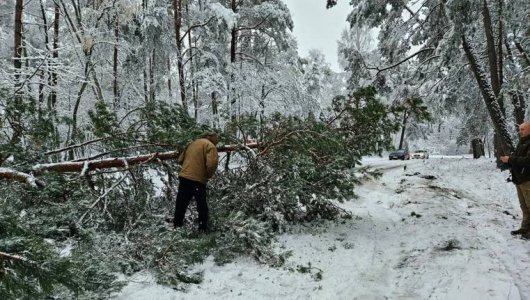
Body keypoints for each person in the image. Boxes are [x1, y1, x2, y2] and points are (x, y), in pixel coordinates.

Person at [173, 133, 219, 231]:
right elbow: (212, 164)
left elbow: (180, 159)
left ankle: (177, 225)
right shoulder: (211, 146)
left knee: (181, 202)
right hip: (198, 179)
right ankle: (203, 228)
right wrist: (208, 175)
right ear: (214, 140)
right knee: (201, 204)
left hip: (184, 176)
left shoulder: (192, 143)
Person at [500, 122, 530, 239]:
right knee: (524, 206)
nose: (520, 131)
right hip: (520, 179)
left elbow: (528, 161)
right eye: (519, 129)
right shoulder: (522, 142)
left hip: (527, 179)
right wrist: (508, 162)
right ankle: (525, 228)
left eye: (523, 129)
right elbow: (519, 159)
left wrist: (510, 159)